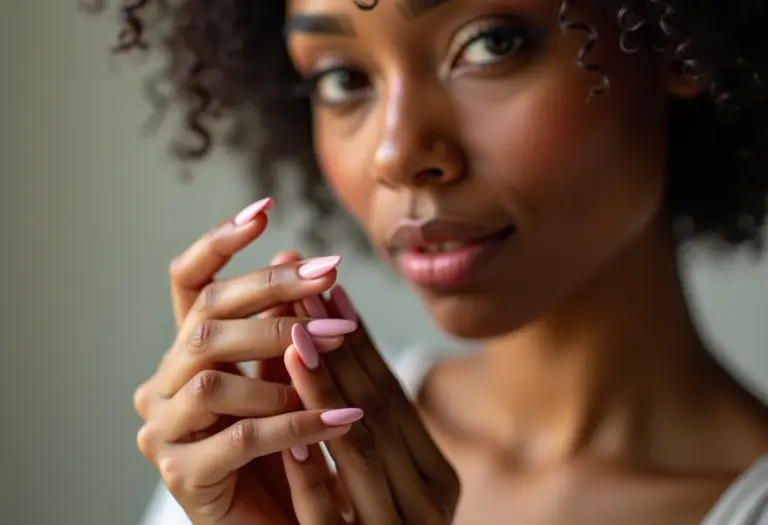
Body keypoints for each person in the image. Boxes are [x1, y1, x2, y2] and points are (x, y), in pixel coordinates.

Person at [94, 0, 768, 523]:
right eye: (343, 78)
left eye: (491, 44)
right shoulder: (269, 460)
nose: (394, 153)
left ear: (672, 42)